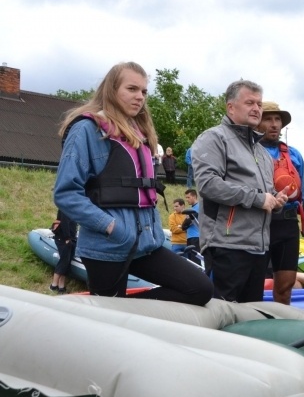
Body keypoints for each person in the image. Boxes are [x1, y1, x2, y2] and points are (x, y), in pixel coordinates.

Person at [53, 61, 214, 306]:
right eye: (132, 89)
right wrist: (110, 226)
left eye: (144, 91)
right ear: (111, 90)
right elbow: (66, 194)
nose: (140, 97)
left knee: (199, 288)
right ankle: (114, 312)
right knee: (108, 324)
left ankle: (127, 311)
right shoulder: (87, 130)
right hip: (107, 248)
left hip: (146, 245)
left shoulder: (139, 132)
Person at [192, 80, 289, 303]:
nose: (256, 108)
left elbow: (263, 196)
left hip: (258, 247)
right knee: (221, 313)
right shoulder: (213, 138)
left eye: (259, 103)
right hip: (227, 245)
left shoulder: (262, 151)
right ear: (231, 107)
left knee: (248, 316)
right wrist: (258, 199)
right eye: (249, 102)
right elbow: (207, 184)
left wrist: (275, 199)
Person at [257, 101, 304, 305]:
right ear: (256, 122)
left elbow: (301, 192)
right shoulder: (249, 152)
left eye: (277, 119)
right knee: (252, 285)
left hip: (287, 224)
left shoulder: (294, 155)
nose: (274, 124)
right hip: (258, 223)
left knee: (285, 287)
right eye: (268, 119)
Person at [49, 209, 77, 294]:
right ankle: (53, 285)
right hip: (63, 239)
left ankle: (61, 286)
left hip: (72, 239)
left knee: (67, 262)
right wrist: (67, 238)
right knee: (64, 261)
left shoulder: (73, 208)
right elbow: (64, 223)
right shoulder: (64, 207)